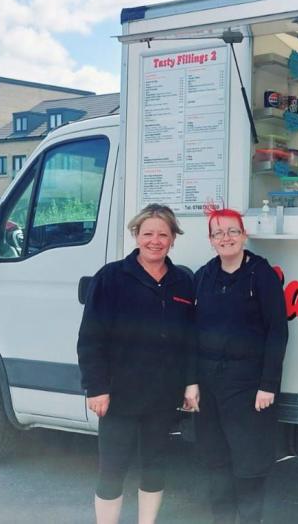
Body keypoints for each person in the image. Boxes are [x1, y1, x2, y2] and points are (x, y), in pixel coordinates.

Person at [77, 204, 198, 524]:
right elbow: (90, 337)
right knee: (112, 469)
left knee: (155, 466)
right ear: (135, 235)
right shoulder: (111, 278)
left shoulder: (184, 281)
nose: (155, 241)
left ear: (173, 239)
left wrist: (190, 382)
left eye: (163, 234)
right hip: (119, 396)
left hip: (162, 397)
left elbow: (190, 340)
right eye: (148, 234)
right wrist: (96, 387)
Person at [193, 203, 288, 523]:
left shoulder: (261, 274)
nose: (226, 237)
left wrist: (268, 385)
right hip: (208, 384)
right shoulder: (203, 276)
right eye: (218, 233)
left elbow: (278, 331)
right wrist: (190, 382)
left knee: (249, 464)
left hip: (249, 386)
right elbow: (190, 331)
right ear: (211, 240)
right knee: (214, 460)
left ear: (244, 235)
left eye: (232, 231)